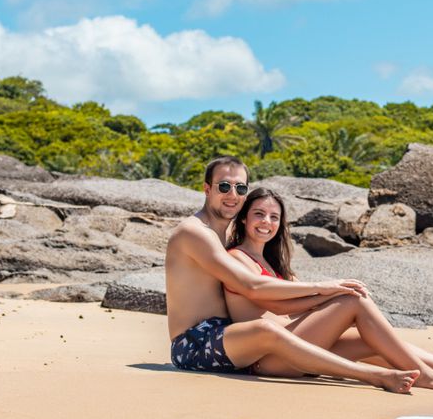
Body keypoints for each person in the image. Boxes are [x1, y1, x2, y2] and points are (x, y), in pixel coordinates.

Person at [165, 156, 419, 394]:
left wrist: (327, 296)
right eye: (224, 186)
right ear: (207, 189)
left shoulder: (229, 233)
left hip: (233, 339)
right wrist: (322, 287)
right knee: (264, 329)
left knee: (356, 338)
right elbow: (251, 285)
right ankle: (372, 376)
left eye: (240, 189)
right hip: (193, 343)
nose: (232, 195)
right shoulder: (195, 232)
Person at [224, 188, 433, 390]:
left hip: (298, 348)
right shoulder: (237, 258)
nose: (267, 223)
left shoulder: (275, 265)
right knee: (352, 301)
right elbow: (275, 302)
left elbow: (302, 302)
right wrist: (330, 291)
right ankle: (427, 376)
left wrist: (327, 294)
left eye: (274, 217)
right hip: (269, 357)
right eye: (259, 214)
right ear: (244, 220)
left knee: (374, 342)